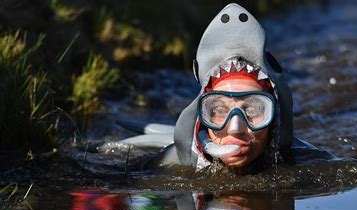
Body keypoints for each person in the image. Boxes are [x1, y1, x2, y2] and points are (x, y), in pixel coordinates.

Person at [113, 3, 332, 172]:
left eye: (254, 110)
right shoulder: (170, 163)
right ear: (201, 114)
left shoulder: (308, 163)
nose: (235, 129)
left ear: (273, 120)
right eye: (217, 111)